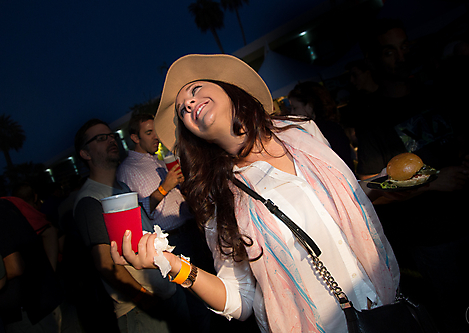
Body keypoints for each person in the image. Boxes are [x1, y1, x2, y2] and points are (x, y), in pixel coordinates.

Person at [111, 54, 399, 333]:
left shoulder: (302, 131)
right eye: (183, 110)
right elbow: (240, 298)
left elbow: (340, 200)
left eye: (195, 91)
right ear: (192, 134)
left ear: (227, 88)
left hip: (386, 301)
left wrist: (389, 182)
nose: (189, 104)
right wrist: (173, 266)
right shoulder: (219, 196)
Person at [356, 18, 469, 332]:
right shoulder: (373, 119)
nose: (401, 57)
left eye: (404, 47)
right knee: (465, 317)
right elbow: (371, 188)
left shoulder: (435, 92)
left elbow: (463, 143)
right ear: (375, 60)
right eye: (390, 52)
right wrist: (430, 184)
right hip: (434, 239)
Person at [73, 118, 190, 332]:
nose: (110, 140)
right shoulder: (90, 200)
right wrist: (142, 298)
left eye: (111, 136)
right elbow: (105, 264)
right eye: (100, 138)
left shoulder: (123, 186)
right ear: (85, 154)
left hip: (166, 290)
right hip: (140, 308)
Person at [116, 113, 213, 331]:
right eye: (149, 133)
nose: (156, 137)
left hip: (192, 230)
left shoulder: (159, 160)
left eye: (156, 131)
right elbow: (144, 211)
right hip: (175, 241)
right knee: (194, 300)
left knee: (209, 289)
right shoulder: (128, 170)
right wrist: (165, 186)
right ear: (135, 137)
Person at [0, 198, 63, 333]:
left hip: (29, 311)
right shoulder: (9, 203)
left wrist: (48, 276)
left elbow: (14, 266)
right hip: (38, 305)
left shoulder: (5, 206)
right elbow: (49, 231)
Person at [287, 81, 355, 171]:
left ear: (310, 106)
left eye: (295, 108)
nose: (292, 113)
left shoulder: (317, 132)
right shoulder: (333, 127)